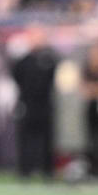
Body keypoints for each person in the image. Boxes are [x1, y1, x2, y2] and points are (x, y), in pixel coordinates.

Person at [10, 24, 58, 179]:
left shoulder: (50, 59)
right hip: (27, 104)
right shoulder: (23, 60)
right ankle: (25, 171)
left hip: (45, 104)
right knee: (26, 139)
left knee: (47, 140)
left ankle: (47, 171)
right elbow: (16, 78)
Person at [81, 41, 98, 177]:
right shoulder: (88, 68)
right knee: (93, 139)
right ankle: (94, 169)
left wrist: (95, 89)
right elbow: (85, 89)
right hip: (92, 107)